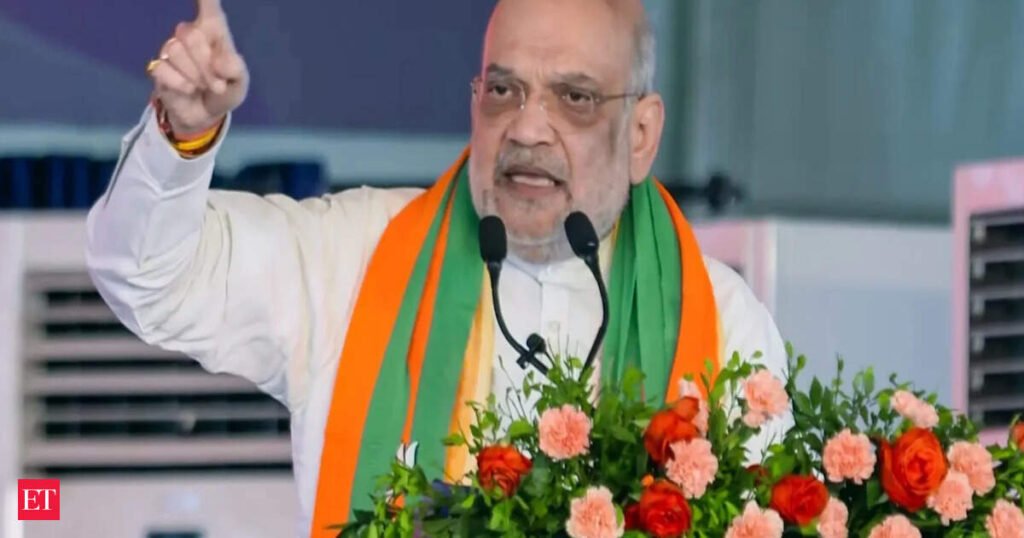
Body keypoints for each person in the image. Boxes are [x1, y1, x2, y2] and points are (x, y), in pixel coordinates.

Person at [85, 0, 788, 535]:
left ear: (640, 134)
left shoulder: (721, 321)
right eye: (504, 90)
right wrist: (183, 134)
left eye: (574, 98)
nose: (527, 128)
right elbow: (149, 278)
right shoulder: (356, 253)